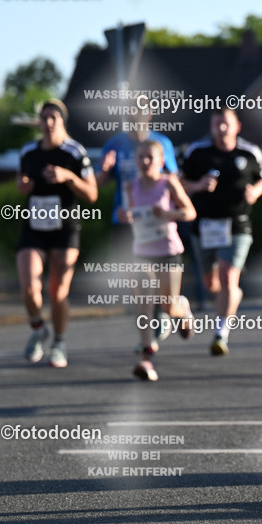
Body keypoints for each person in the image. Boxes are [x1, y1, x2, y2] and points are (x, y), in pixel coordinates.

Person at [180, 109, 262, 357]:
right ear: (211, 126)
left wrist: (256, 192)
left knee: (229, 276)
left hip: (237, 224)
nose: (221, 129)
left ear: (237, 126)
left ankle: (221, 333)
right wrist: (198, 186)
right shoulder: (197, 152)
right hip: (205, 225)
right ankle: (220, 301)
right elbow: (179, 181)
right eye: (217, 124)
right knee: (212, 284)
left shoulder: (249, 152)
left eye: (226, 124)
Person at [18, 99, 98, 368]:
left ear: (62, 121)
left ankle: (59, 343)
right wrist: (24, 185)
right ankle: (38, 328)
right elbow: (22, 184)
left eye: (54, 117)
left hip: (65, 227)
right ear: (39, 122)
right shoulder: (28, 151)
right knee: (30, 287)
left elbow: (92, 194)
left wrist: (68, 177)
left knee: (58, 291)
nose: (48, 122)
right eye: (44, 118)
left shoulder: (75, 153)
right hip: (35, 225)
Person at [116, 139, 197, 381]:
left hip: (168, 251)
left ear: (161, 161)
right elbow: (129, 214)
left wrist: (168, 214)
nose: (145, 162)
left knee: (168, 306)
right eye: (141, 157)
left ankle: (182, 309)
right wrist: (124, 215)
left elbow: (190, 212)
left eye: (150, 157)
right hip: (141, 252)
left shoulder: (168, 183)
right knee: (143, 302)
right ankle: (147, 358)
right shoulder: (130, 187)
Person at [98, 105, 180, 340]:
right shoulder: (114, 144)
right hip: (125, 221)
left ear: (149, 115)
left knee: (160, 290)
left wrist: (170, 211)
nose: (134, 116)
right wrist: (104, 170)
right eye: (130, 112)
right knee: (136, 283)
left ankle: (164, 311)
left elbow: (173, 179)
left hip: (156, 223)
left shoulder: (161, 143)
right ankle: (146, 340)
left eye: (139, 112)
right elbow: (99, 184)